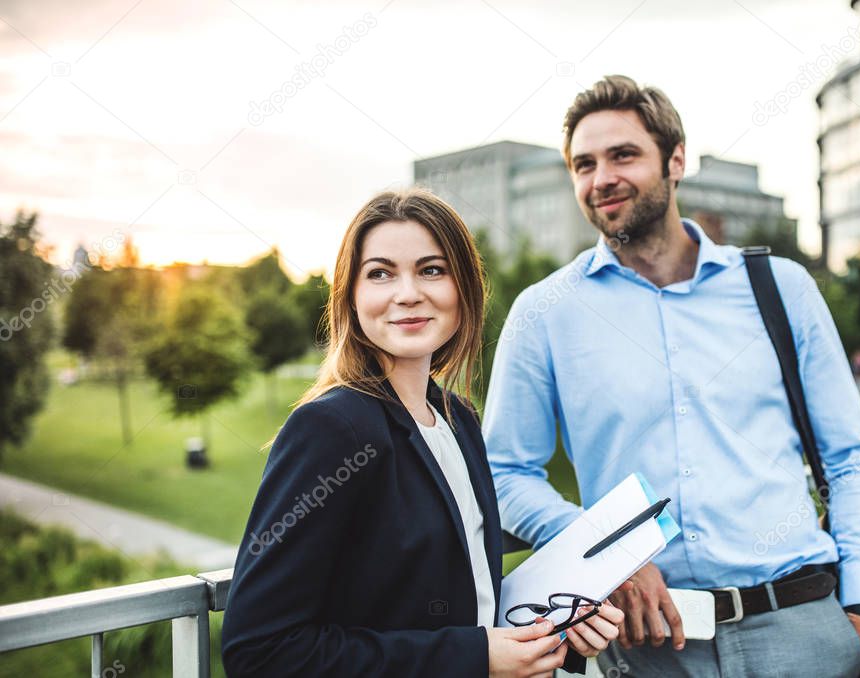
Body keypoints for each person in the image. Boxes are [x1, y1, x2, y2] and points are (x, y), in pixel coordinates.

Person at [484, 76, 860, 677]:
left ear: (676, 161)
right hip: (649, 646)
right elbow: (504, 471)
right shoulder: (546, 312)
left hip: (802, 624)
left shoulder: (781, 288)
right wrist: (608, 553)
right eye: (584, 164)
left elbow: (854, 456)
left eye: (624, 155)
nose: (601, 179)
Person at [221, 189, 621, 677]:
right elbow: (261, 651)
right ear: (351, 295)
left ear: (463, 289)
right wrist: (474, 657)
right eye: (380, 273)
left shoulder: (458, 419)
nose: (407, 292)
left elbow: (464, 597)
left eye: (431, 269)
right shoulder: (330, 429)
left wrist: (561, 623)